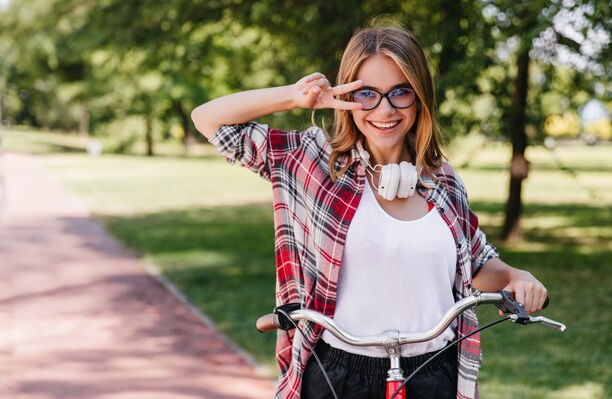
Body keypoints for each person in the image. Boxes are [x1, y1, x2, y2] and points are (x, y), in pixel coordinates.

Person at [191, 23, 547, 399]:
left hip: (434, 373)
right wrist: (295, 96)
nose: (384, 109)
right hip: (337, 374)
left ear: (420, 96)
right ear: (346, 95)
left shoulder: (442, 180)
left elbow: (476, 264)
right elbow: (209, 120)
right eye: (366, 94)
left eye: (400, 92)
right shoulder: (312, 160)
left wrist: (516, 276)